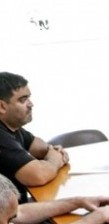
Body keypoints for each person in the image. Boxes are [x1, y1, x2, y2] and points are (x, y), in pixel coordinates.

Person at [0, 72, 69, 201]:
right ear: (2, 106)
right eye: (23, 100)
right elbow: (39, 176)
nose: (31, 104)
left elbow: (40, 147)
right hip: (12, 219)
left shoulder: (13, 127)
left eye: (29, 98)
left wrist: (51, 151)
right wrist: (55, 159)